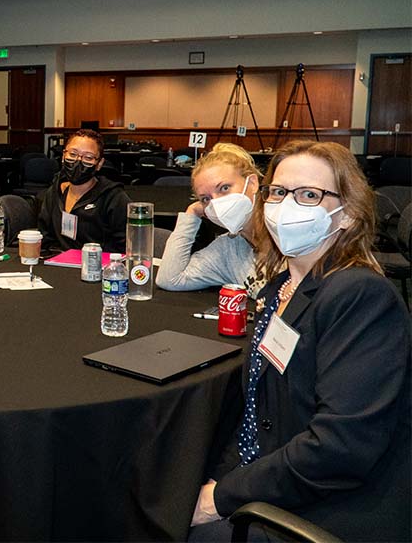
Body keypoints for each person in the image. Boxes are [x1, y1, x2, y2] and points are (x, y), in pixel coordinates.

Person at [189, 140, 410, 543]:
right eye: (279, 192)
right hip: (276, 473)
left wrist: (219, 497)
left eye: (309, 195)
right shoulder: (281, 287)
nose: (287, 205)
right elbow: (261, 408)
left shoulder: (360, 296)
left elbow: (339, 450)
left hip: (332, 507)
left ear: (348, 215)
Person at [157, 143, 264, 296]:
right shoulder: (228, 248)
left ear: (252, 183)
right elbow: (170, 279)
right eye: (206, 199)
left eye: (224, 188)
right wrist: (192, 212)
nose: (216, 203)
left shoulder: (288, 239)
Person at [37, 129, 129, 253]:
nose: (78, 161)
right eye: (73, 154)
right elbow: (45, 236)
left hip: (98, 266)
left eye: (88, 157)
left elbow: (126, 246)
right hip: (58, 264)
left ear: (99, 163)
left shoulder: (114, 198)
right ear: (64, 156)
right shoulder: (54, 191)